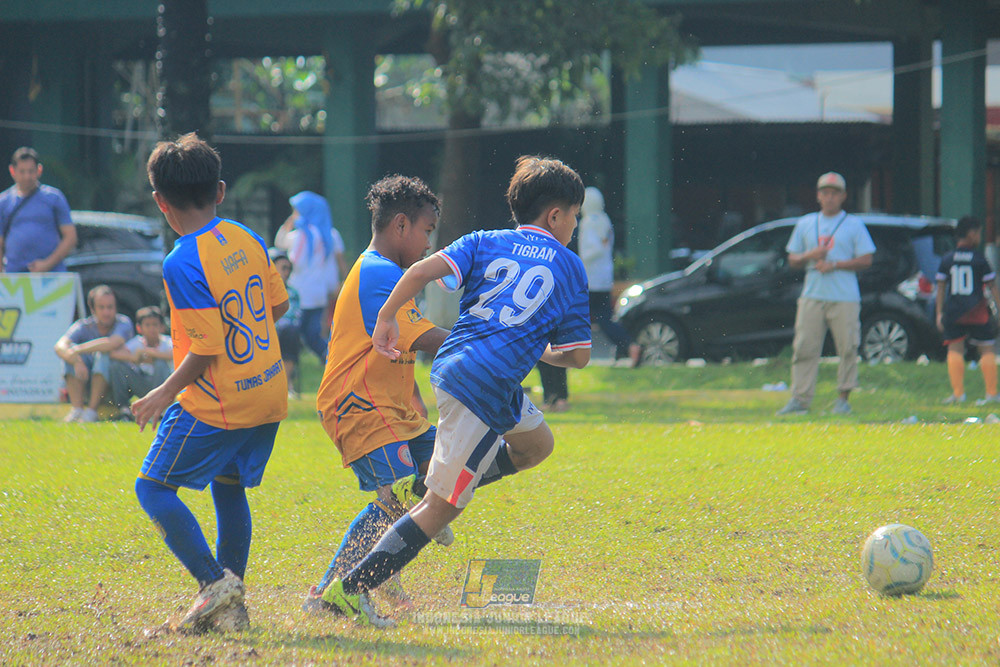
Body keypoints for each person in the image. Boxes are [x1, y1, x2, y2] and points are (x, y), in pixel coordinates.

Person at [319, 155, 591, 626]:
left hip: (463, 375)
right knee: (438, 509)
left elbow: (421, 273)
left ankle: (422, 493)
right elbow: (580, 355)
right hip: (479, 386)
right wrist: (543, 350)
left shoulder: (483, 240)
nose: (575, 225)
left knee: (536, 444)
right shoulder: (570, 265)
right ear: (555, 216)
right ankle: (347, 589)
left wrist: (386, 317)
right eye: (575, 216)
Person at [131, 133, 289, 635]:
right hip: (269, 391)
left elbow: (206, 347)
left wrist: (162, 393)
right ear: (220, 191)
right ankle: (232, 608)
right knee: (228, 486)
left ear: (160, 201)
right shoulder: (246, 236)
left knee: (152, 489)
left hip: (220, 401)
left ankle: (213, 582)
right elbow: (279, 305)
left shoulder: (181, 260)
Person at [301, 174, 452, 615]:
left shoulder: (391, 274)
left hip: (392, 408)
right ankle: (329, 594)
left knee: (449, 466)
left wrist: (417, 403)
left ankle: (385, 568)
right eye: (426, 231)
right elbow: (423, 337)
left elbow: (401, 348)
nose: (429, 244)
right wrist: (487, 344)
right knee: (396, 499)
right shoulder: (378, 273)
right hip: (358, 403)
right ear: (401, 225)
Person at [777, 172, 875, 416]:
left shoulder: (854, 224)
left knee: (848, 347)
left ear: (843, 196)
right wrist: (810, 255)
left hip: (845, 296)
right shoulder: (806, 223)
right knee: (804, 347)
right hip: (813, 294)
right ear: (818, 196)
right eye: (825, 193)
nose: (830, 198)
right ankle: (800, 399)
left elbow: (866, 259)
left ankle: (843, 398)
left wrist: (835, 265)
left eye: (834, 193)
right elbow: (792, 259)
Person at [935, 216, 1000, 406]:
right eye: (978, 233)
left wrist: (939, 313)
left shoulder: (947, 259)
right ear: (971, 234)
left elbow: (941, 287)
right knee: (986, 348)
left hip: (954, 311)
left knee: (955, 349)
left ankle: (958, 394)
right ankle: (991, 394)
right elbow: (992, 286)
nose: (979, 236)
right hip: (976, 310)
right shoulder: (979, 259)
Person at [274, 191, 346, 362]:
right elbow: (338, 262)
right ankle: (333, 362)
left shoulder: (299, 236)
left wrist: (288, 223)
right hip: (318, 294)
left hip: (298, 293)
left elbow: (280, 243)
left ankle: (291, 371)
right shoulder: (328, 234)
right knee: (314, 336)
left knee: (291, 336)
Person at [577, 186, 641, 366]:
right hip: (604, 277)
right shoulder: (605, 220)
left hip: (591, 279)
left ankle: (627, 345)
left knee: (582, 317)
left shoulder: (588, 222)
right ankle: (625, 347)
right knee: (605, 317)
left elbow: (589, 252)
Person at [53, 285, 133, 423]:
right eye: (101, 307)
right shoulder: (83, 325)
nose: (106, 312)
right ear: (92, 309)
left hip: (117, 388)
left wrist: (77, 349)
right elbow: (59, 346)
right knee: (70, 355)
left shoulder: (123, 323)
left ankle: (91, 411)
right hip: (87, 381)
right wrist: (76, 360)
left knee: (103, 355)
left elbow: (111, 343)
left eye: (110, 307)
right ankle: (77, 410)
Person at [0, 147, 76, 273]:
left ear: (39, 170)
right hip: (14, 276)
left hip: (51, 275)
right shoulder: (3, 202)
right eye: (22, 171)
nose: (27, 176)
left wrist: (47, 264)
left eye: (31, 171)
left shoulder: (54, 198)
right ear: (12, 171)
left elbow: (70, 237)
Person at [107, 306, 173, 420]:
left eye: (155, 325)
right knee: (116, 366)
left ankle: (158, 409)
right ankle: (124, 408)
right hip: (142, 383)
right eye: (147, 325)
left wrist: (149, 353)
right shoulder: (136, 342)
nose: (151, 329)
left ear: (162, 327)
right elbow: (113, 354)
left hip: (163, 387)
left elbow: (173, 355)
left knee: (160, 364)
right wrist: (134, 358)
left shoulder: (167, 342)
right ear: (139, 328)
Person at [268, 247, 302, 398]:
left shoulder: (293, 293)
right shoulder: (261, 290)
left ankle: (286, 385)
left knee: (290, 332)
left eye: (288, 268)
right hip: (268, 331)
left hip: (286, 332)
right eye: (283, 268)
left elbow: (295, 316)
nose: (286, 272)